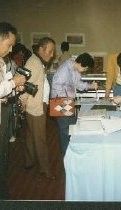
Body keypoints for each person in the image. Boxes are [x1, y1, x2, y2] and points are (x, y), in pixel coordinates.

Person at [20, 37, 56, 179]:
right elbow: (24, 86)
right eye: (50, 51)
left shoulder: (37, 61)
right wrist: (23, 104)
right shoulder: (34, 63)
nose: (52, 54)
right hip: (36, 106)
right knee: (40, 138)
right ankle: (45, 169)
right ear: (41, 49)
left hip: (37, 104)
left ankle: (29, 161)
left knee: (31, 134)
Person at [51, 53, 98, 156]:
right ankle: (66, 157)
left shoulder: (74, 67)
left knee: (72, 128)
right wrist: (68, 102)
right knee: (65, 133)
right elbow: (57, 88)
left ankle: (71, 155)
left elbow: (77, 84)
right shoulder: (64, 70)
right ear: (81, 64)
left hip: (66, 101)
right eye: (85, 69)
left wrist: (90, 86)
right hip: (59, 101)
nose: (85, 71)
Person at [0, 22, 26, 199]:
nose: (10, 51)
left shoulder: (2, 61)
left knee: (4, 157)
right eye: (9, 45)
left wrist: (13, 87)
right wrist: (13, 83)